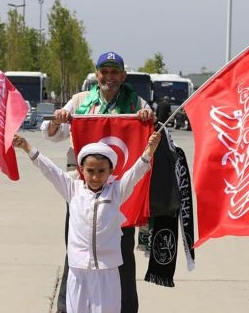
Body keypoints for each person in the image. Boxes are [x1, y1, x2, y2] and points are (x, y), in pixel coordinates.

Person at [41, 51, 156, 313]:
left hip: (118, 194)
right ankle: (65, 307)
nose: (110, 77)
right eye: (105, 71)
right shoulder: (80, 101)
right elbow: (54, 134)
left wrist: (146, 118)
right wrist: (57, 120)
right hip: (81, 192)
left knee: (121, 253)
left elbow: (150, 124)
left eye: (115, 72)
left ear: (123, 75)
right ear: (97, 74)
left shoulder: (134, 102)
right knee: (77, 251)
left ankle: (125, 308)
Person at [14, 131, 160, 313]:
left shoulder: (116, 192)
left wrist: (150, 150)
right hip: (78, 268)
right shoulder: (72, 189)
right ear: (81, 170)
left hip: (107, 269)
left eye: (101, 171)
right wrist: (27, 147)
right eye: (90, 171)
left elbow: (136, 172)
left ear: (110, 172)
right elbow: (49, 169)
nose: (96, 176)